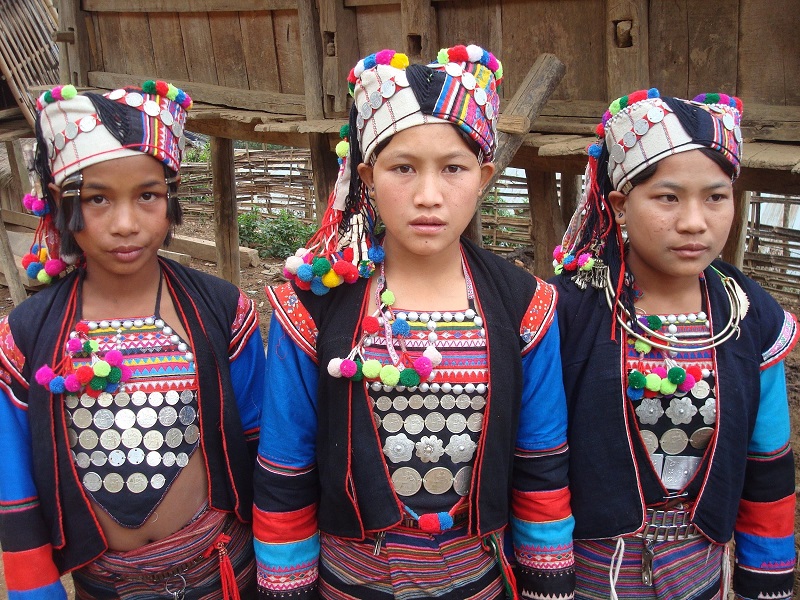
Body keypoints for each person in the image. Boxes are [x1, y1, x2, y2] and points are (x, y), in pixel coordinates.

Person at [252, 46, 575, 599]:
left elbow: (541, 462)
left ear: (484, 176)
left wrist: (550, 586)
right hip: (347, 583)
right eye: (403, 168)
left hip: (479, 582)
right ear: (367, 177)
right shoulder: (311, 307)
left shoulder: (526, 305)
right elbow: (286, 465)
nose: (429, 196)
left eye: (453, 168)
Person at [0, 80, 266, 599]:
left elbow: (261, 446)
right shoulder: (26, 337)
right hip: (106, 587)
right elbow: (17, 490)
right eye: (97, 199)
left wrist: (283, 564)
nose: (125, 224)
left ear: (171, 196)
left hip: (228, 574)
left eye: (147, 195)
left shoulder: (222, 311)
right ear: (58, 201)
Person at [550, 88, 798, 599]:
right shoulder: (567, 313)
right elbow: (536, 458)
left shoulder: (750, 317)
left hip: (703, 570)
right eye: (667, 197)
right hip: (589, 575)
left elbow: (767, 463)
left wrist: (766, 580)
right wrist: (542, 572)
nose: (694, 222)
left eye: (716, 196)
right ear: (620, 204)